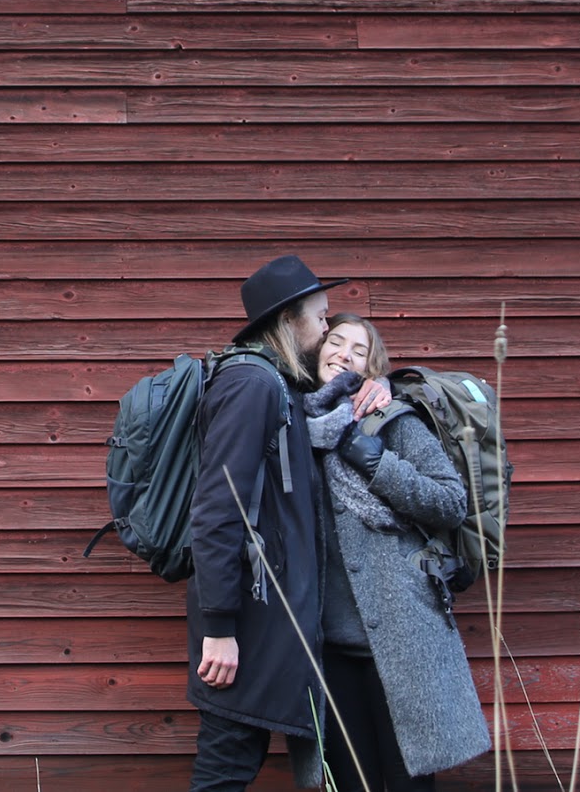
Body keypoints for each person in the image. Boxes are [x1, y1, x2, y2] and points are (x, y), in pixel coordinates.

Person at [186, 256, 384, 791]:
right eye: (319, 317)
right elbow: (217, 510)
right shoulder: (251, 384)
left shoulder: (279, 383)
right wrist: (219, 629)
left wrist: (381, 387)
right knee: (225, 768)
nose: (326, 328)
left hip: (264, 620)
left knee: (234, 763)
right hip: (243, 623)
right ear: (288, 319)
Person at [304, 314, 491, 792]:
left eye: (359, 349)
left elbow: (450, 502)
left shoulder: (391, 420)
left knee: (410, 784)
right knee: (348, 783)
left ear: (372, 366)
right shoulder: (294, 425)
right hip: (327, 648)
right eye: (335, 341)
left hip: (404, 640)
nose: (343, 354)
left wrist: (376, 462)